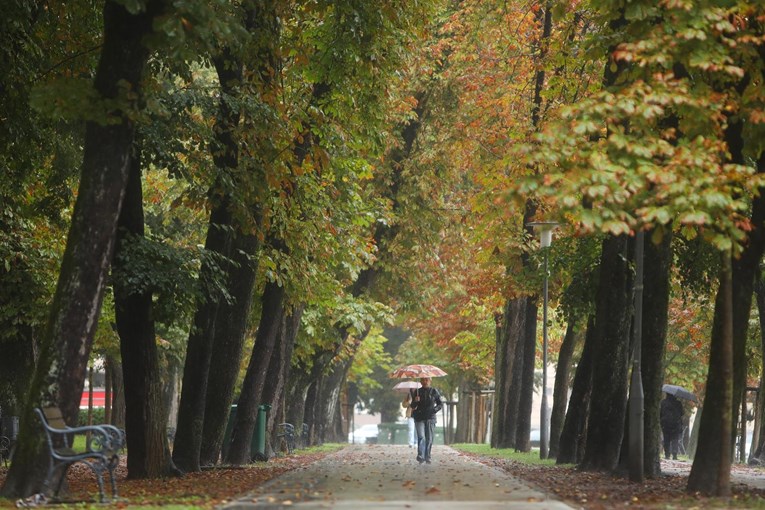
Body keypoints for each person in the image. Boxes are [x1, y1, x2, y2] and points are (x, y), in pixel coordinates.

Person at [410, 377, 443, 464]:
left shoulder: (434, 391)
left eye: (426, 380)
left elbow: (440, 404)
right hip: (419, 417)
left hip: (430, 417)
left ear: (430, 381)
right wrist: (415, 401)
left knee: (429, 438)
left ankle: (427, 456)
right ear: (420, 381)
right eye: (423, 380)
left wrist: (434, 410)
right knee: (421, 436)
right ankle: (420, 455)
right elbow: (412, 406)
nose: (425, 382)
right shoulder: (417, 392)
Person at [660, 392, 684, 460]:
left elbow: (660, 412)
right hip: (676, 424)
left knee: (666, 439)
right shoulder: (678, 403)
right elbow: (682, 413)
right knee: (675, 439)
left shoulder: (663, 402)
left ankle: (667, 454)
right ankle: (674, 455)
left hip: (665, 424)